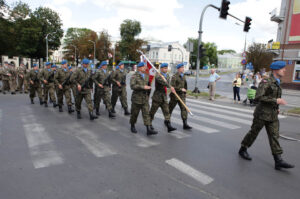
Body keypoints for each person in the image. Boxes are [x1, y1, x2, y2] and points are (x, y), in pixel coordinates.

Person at [239, 61, 295, 170]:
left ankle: (278, 160)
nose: (285, 70)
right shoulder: (266, 81)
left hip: (273, 115)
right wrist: (276, 100)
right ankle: (243, 149)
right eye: (283, 68)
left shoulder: (278, 82)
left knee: (274, 136)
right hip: (262, 114)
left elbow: (273, 98)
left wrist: (277, 108)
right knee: (253, 133)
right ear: (276, 70)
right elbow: (258, 97)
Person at [130, 62, 158, 135]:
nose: (145, 68)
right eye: (143, 67)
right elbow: (132, 86)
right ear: (139, 68)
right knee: (134, 114)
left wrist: (148, 93)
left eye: (144, 66)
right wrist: (142, 87)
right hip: (136, 99)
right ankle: (132, 125)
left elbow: (148, 85)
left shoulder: (146, 76)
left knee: (146, 114)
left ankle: (148, 129)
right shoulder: (134, 76)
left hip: (144, 98)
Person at [149, 63, 176, 132]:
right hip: (157, 97)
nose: (166, 69)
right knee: (152, 112)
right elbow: (164, 83)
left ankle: (168, 125)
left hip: (164, 97)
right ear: (161, 69)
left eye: (166, 68)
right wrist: (170, 86)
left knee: (167, 112)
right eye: (164, 68)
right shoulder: (158, 75)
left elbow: (168, 82)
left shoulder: (167, 75)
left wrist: (170, 86)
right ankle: (149, 124)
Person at [169, 63, 192, 130]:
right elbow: (172, 86)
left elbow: (185, 85)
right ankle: (167, 121)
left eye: (183, 67)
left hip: (182, 96)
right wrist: (180, 89)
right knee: (170, 109)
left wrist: (185, 92)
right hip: (175, 96)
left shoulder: (183, 76)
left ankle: (185, 124)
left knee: (184, 109)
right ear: (178, 69)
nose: (183, 68)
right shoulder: (174, 76)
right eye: (182, 67)